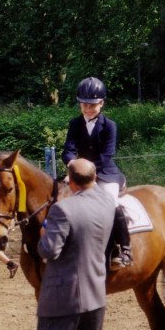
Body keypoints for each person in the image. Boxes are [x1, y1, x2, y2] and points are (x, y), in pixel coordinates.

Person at [36, 158, 115, 330]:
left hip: (63, 298)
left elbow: (49, 251)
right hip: (96, 296)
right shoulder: (107, 202)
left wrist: (43, 232)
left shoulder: (62, 210)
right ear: (94, 177)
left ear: (69, 181)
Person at [62, 76, 132, 268]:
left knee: (111, 202)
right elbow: (68, 150)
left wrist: (83, 170)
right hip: (78, 172)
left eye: (92, 105)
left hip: (105, 173)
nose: (88, 109)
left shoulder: (110, 126)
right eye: (84, 105)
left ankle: (123, 249)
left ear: (101, 103)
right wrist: (73, 164)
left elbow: (106, 155)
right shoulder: (75, 124)